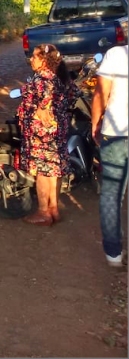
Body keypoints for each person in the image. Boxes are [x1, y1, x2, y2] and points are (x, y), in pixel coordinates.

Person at [17, 44, 75, 226]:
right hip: (58, 132)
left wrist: (41, 110)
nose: (31, 60)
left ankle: (43, 212)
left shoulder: (42, 79)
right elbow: (74, 95)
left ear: (44, 60)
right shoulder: (61, 78)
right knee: (54, 171)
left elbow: (44, 99)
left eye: (34, 57)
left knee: (42, 171)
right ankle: (53, 208)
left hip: (41, 134)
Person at [91, 43, 129, 266]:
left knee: (112, 194)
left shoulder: (115, 54)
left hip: (116, 133)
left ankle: (114, 253)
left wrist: (96, 124)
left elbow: (100, 94)